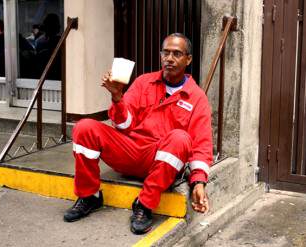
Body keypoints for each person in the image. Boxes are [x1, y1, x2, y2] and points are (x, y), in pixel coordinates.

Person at [63, 33, 213, 235]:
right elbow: (124, 124)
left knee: (180, 138)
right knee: (84, 127)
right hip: (131, 150)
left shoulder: (197, 98)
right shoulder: (144, 82)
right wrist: (117, 98)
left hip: (161, 162)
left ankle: (144, 205)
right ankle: (89, 196)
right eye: (166, 53)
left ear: (188, 59)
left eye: (177, 54)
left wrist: (198, 182)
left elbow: (202, 146)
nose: (169, 58)